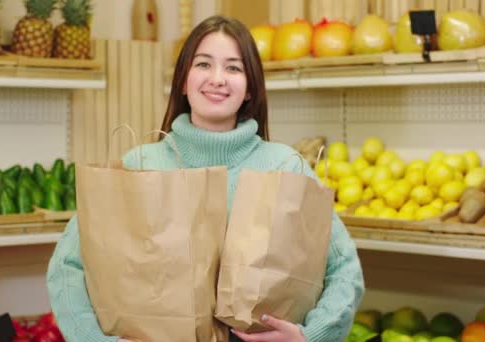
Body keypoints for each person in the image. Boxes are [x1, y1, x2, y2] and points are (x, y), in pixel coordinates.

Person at [47, 15, 364, 342]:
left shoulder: (286, 167)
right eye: (203, 64)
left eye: (233, 68)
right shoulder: (140, 165)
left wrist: (310, 336)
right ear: (183, 81)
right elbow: (67, 266)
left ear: (250, 89)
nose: (217, 78)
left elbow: (345, 271)